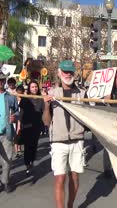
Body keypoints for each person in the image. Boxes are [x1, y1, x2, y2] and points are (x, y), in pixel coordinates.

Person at [42, 60, 86, 208]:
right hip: (58, 142)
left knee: (74, 178)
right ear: (59, 73)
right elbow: (47, 122)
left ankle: (70, 205)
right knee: (60, 179)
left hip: (77, 141)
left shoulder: (82, 94)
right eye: (65, 71)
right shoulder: (52, 93)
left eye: (70, 72)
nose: (68, 74)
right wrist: (47, 106)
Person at [19, 81, 44, 176]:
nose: (34, 88)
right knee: (27, 146)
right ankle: (27, 164)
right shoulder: (25, 99)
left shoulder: (41, 99)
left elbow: (43, 111)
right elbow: (21, 112)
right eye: (32, 87)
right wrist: (19, 125)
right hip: (26, 125)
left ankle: (32, 162)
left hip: (37, 126)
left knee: (34, 145)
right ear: (29, 88)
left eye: (36, 87)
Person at [14, 85, 24, 159]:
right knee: (16, 134)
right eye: (18, 92)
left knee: (20, 134)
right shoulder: (14, 99)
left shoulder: (24, 100)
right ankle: (16, 151)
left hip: (23, 119)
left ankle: (19, 148)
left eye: (21, 92)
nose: (19, 94)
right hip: (16, 118)